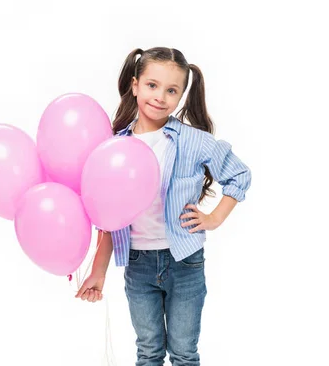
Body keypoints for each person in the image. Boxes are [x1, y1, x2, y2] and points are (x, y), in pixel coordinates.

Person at [75, 47, 252, 365]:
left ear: (182, 95)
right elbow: (109, 218)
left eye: (172, 90)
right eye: (152, 85)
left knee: (184, 351)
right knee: (149, 350)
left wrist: (214, 218)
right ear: (135, 85)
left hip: (185, 264)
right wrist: (98, 272)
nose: (160, 97)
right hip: (138, 265)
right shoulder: (115, 147)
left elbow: (239, 176)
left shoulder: (192, 140)